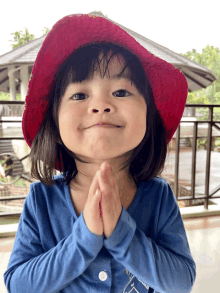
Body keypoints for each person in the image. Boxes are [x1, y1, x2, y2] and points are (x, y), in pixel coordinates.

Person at [4, 13, 196, 293]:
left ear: (148, 117)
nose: (101, 104)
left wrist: (122, 233)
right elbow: (19, 284)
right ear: (55, 125)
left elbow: (181, 282)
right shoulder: (41, 199)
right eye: (80, 95)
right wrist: (85, 237)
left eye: (120, 92)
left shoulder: (158, 197)